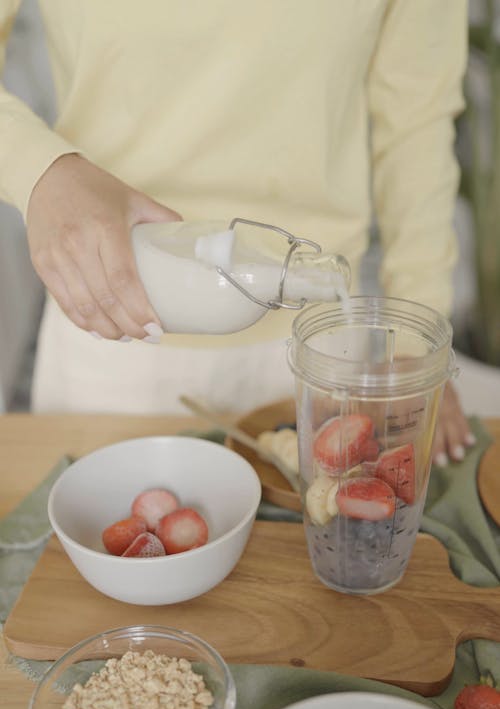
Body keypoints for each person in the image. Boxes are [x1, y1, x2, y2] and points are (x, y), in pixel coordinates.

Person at [0, 0, 474, 464]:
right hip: (112, 321)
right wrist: (40, 172)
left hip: (318, 345)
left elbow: (418, 120)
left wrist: (419, 347)